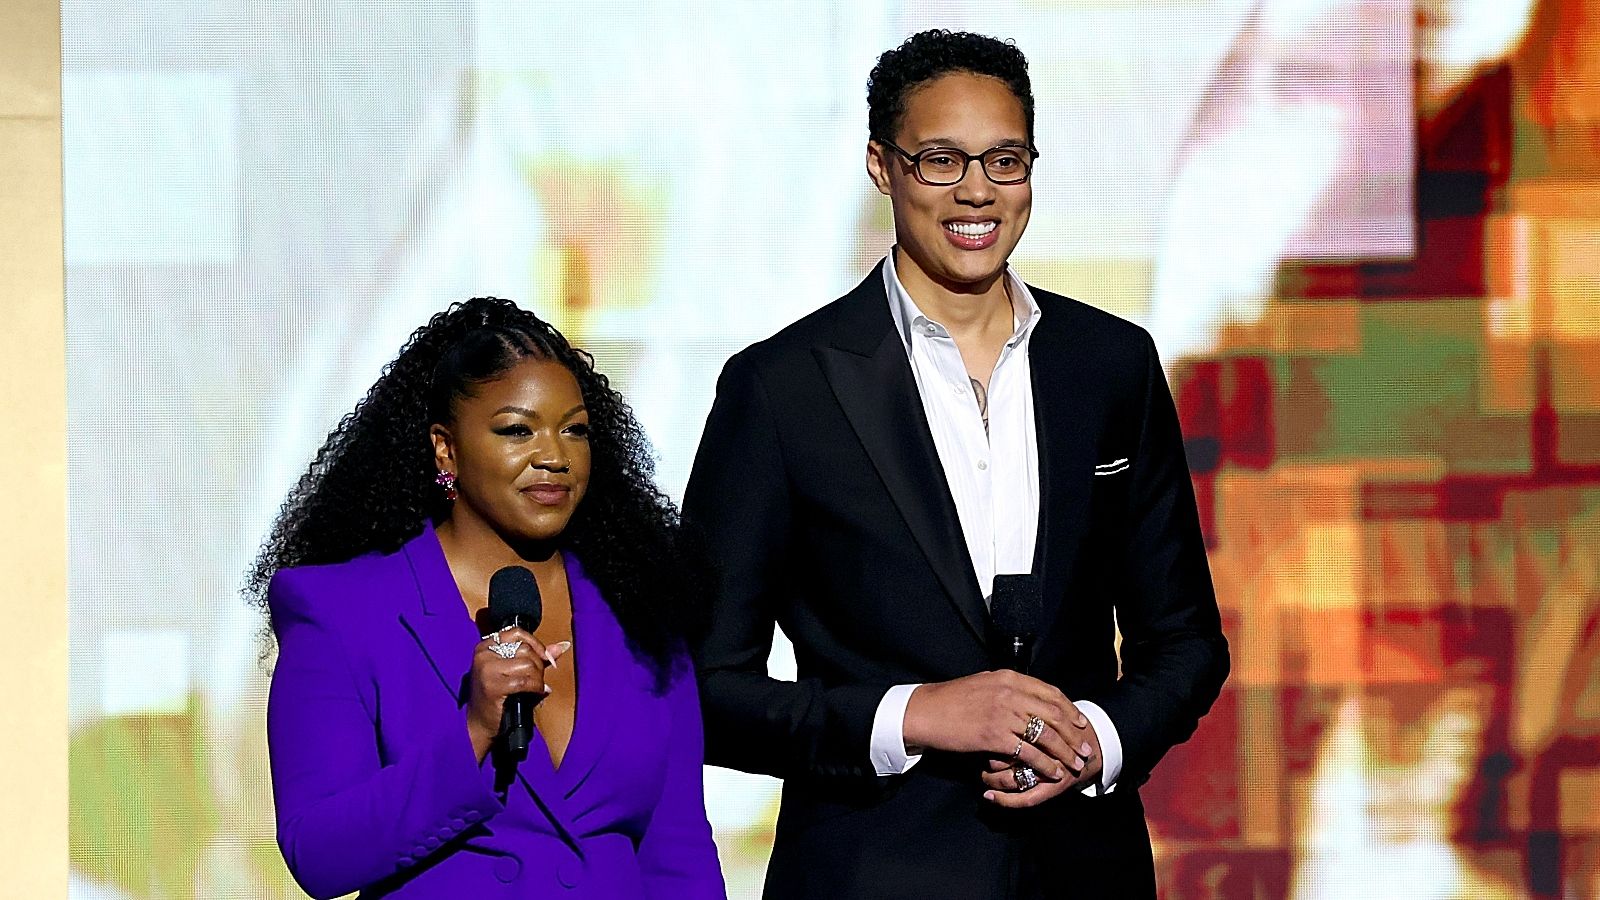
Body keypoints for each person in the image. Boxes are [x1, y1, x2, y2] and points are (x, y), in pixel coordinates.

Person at [683, 30, 1229, 899]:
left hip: (1084, 869)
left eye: (1004, 161)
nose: (977, 190)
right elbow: (701, 687)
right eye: (941, 160)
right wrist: (914, 715)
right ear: (882, 165)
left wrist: (1096, 738)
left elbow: (1187, 642)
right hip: (872, 872)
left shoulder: (1110, 364)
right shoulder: (781, 388)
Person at [249, 297, 725, 899]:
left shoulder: (642, 609)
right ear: (445, 449)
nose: (553, 456)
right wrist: (473, 730)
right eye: (516, 430)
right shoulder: (343, 610)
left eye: (574, 430)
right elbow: (319, 854)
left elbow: (677, 851)